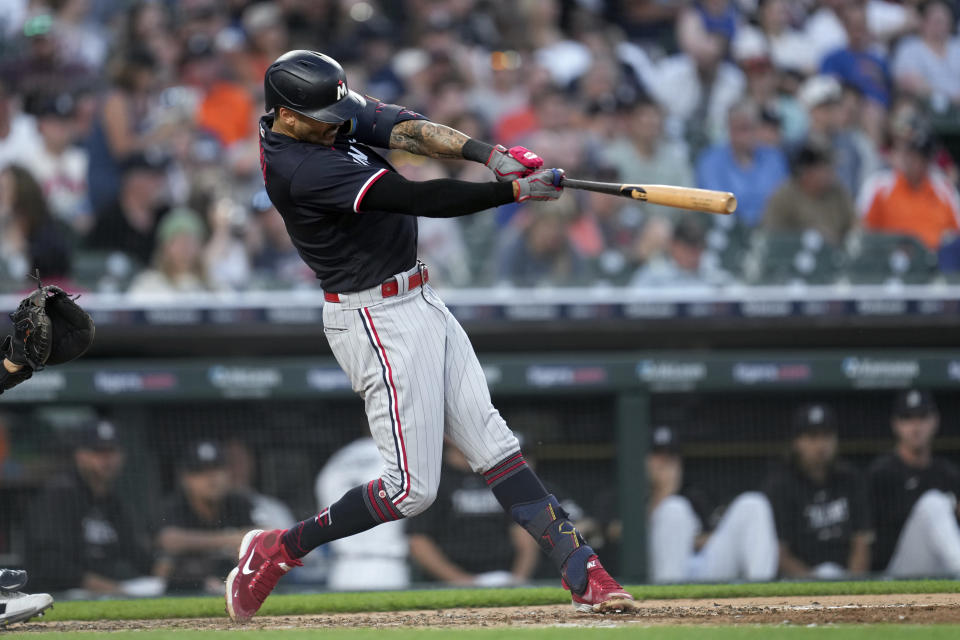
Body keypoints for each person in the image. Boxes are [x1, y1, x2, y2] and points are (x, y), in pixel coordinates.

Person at [226, 50, 635, 622]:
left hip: (417, 298)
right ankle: (276, 549)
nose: (339, 119)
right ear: (287, 114)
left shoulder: (320, 119)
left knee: (494, 444)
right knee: (410, 492)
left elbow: (404, 128)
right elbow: (416, 196)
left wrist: (491, 154)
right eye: (325, 113)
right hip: (374, 320)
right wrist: (510, 193)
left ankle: (584, 570)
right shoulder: (301, 167)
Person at [25, 419, 157, 595]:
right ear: (80, 455)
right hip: (58, 594)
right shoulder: (58, 495)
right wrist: (108, 588)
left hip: (107, 590)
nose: (107, 459)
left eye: (112, 451)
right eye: (98, 451)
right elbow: (47, 562)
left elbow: (136, 555)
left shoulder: (113, 502)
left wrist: (165, 568)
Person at [645, 425, 778, 583]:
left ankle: (763, 596)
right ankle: (666, 604)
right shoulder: (627, 495)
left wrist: (691, 540)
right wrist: (664, 493)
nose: (665, 463)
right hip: (658, 575)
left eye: (671, 456)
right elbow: (621, 537)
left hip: (702, 567)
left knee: (753, 503)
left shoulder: (694, 493)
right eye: (658, 455)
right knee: (673, 509)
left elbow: (713, 533)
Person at [407, 440, 540, 587]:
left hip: (504, 577)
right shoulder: (432, 479)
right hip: (449, 584)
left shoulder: (499, 473)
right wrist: (463, 581)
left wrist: (519, 579)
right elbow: (418, 541)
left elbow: (523, 533)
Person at [763, 403, 873, 579]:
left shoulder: (850, 478)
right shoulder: (780, 485)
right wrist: (817, 586)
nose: (821, 445)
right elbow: (780, 554)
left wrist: (852, 584)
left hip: (845, 576)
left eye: (826, 436)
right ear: (797, 442)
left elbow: (861, 542)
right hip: (800, 582)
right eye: (812, 437)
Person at [868, 389, 960, 577]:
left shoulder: (948, 473)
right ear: (896, 424)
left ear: (935, 421)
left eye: (922, 417)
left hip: (943, 566)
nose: (916, 426)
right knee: (932, 503)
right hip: (896, 570)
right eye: (907, 418)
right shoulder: (881, 473)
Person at [155, 440, 254, 594]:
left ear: (228, 473)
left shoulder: (239, 502)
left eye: (216, 469)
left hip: (234, 581)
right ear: (186, 479)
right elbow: (170, 540)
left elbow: (264, 535)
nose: (211, 478)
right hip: (184, 586)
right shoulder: (175, 505)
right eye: (200, 471)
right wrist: (231, 538)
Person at [315, 438, 410, 591]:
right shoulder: (400, 456)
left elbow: (324, 516)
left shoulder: (337, 460)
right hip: (388, 568)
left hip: (343, 569)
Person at [858, 127, 960, 251]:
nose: (914, 162)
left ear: (928, 160)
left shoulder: (944, 190)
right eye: (911, 155)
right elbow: (864, 234)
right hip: (890, 263)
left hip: (934, 263)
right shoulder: (879, 186)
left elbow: (956, 234)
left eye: (920, 157)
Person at [695, 100, 788, 227]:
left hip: (770, 229)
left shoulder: (774, 158)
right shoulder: (710, 161)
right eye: (743, 129)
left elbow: (781, 201)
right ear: (730, 129)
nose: (749, 135)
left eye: (753, 128)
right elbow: (717, 205)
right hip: (727, 232)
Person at [762, 139, 856, 246]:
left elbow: (855, 223)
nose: (832, 173)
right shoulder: (783, 196)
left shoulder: (837, 191)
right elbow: (772, 236)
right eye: (826, 168)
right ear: (808, 171)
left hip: (836, 256)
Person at [891, 1, 960, 108]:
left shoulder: (957, 46)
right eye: (936, 21)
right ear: (923, 22)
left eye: (945, 21)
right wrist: (948, 97)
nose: (941, 26)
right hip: (925, 108)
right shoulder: (909, 47)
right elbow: (908, 82)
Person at [631, 217, 732, 289]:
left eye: (698, 249)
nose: (694, 256)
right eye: (688, 249)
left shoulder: (714, 276)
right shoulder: (653, 275)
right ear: (673, 245)